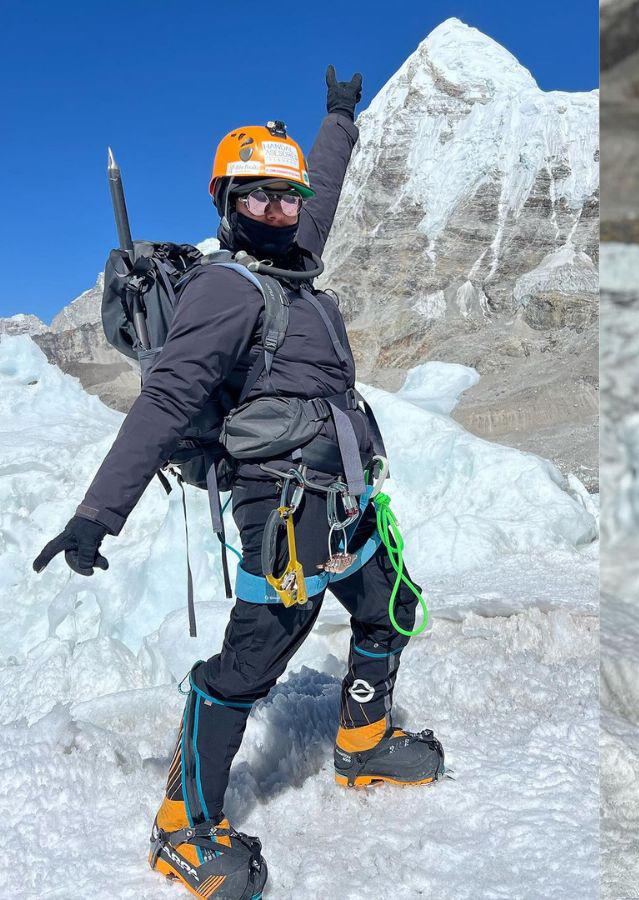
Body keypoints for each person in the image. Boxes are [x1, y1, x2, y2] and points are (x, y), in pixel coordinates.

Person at [33, 67, 443, 899]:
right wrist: (94, 516)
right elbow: (169, 399)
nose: (280, 212)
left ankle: (362, 744)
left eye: (285, 200)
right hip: (282, 511)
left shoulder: (296, 258)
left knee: (387, 605)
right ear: (226, 204)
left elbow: (321, 186)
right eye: (258, 199)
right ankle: (182, 825)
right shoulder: (227, 288)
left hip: (347, 497)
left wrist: (339, 118)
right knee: (249, 662)